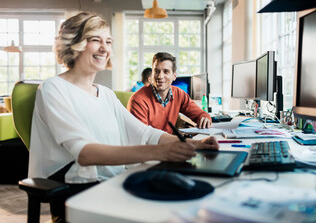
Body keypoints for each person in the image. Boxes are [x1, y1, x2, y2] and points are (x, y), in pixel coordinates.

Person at [28, 12, 219, 223]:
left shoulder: (105, 94)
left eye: (108, 41)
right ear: (75, 44)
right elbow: (84, 153)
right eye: (95, 40)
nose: (105, 48)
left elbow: (144, 133)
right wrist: (162, 151)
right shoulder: (53, 88)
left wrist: (196, 144)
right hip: (78, 187)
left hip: (112, 180)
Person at [127, 52, 213, 134]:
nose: (160, 76)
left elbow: (201, 114)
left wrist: (205, 119)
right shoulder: (138, 100)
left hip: (166, 144)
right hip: (148, 147)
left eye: (166, 71)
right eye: (156, 71)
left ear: (174, 76)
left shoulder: (179, 94)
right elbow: (142, 138)